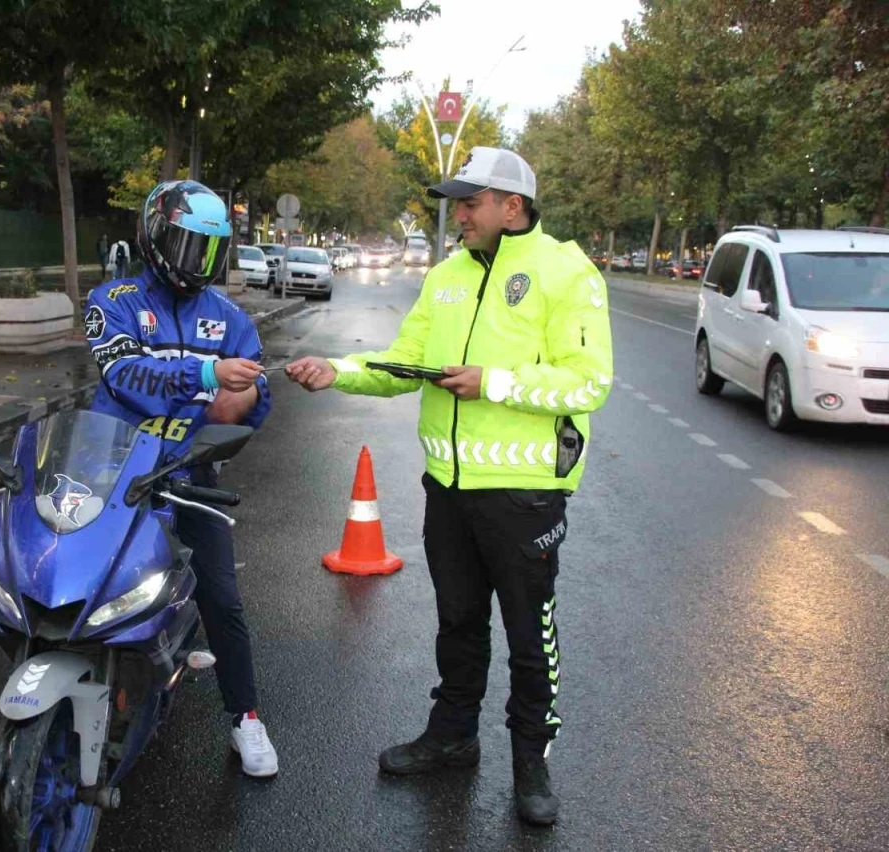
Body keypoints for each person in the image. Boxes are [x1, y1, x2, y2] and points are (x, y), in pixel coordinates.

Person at [286, 147, 614, 826]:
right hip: (449, 489)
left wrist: (490, 380)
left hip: (524, 495)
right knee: (459, 623)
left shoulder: (565, 272)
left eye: (470, 203)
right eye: (457, 203)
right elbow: (403, 365)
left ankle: (532, 764)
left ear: (512, 207)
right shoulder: (446, 278)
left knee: (530, 634)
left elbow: (588, 381)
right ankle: (452, 736)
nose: (457, 215)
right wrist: (338, 370)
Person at [84, 180, 279, 778]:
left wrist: (236, 400)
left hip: (187, 472)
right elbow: (121, 374)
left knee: (221, 594)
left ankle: (246, 718)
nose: (201, 264)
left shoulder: (231, 318)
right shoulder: (110, 298)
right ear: (156, 235)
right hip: (108, 466)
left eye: (211, 251)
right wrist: (205, 374)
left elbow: (250, 398)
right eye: (190, 247)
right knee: (81, 576)